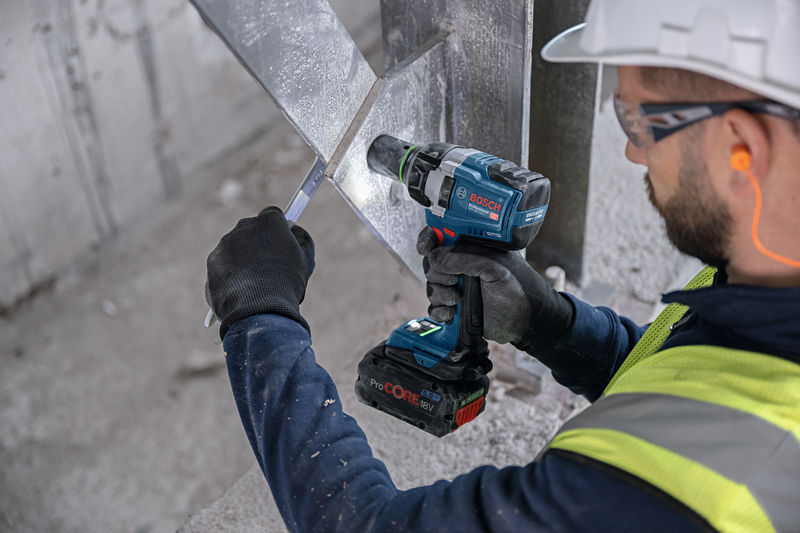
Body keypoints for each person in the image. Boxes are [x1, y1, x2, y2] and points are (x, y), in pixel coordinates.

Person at [205, 1, 800, 531]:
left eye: (638, 120)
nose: (631, 150)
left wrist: (260, 314)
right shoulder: (766, 267)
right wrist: (555, 325)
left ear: (741, 148)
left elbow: (362, 525)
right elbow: (684, 377)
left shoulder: (696, 489)